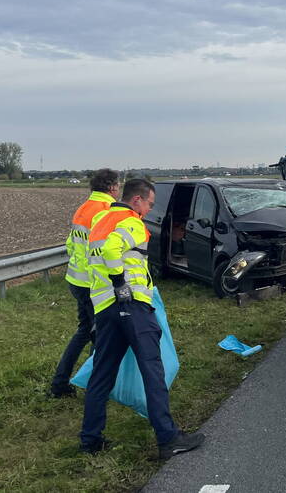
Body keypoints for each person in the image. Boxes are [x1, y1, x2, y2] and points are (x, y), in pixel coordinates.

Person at [80, 178, 205, 459]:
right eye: (149, 204)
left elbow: (96, 258)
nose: (149, 210)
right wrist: (119, 282)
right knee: (152, 370)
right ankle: (168, 437)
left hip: (104, 308)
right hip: (131, 305)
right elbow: (113, 251)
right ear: (137, 200)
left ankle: (90, 439)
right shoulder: (131, 221)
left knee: (101, 374)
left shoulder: (101, 221)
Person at [49, 168, 120, 398]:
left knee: (84, 331)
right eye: (117, 186)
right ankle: (95, 388)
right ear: (111, 187)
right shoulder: (106, 210)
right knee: (100, 337)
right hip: (94, 285)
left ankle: (60, 384)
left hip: (76, 280)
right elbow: (103, 252)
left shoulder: (83, 208)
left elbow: (71, 245)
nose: (118, 190)